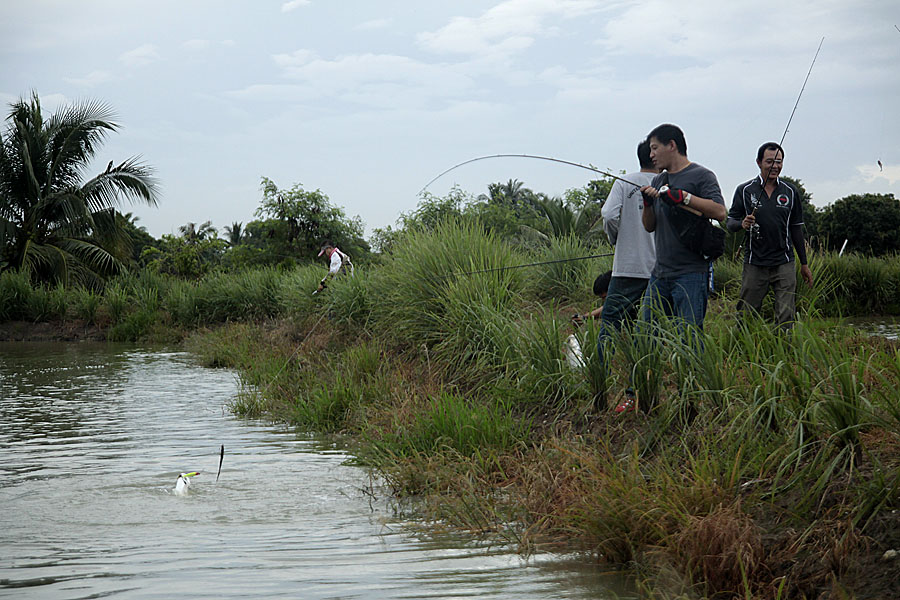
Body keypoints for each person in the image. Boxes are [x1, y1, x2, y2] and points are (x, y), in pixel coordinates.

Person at [616, 124, 726, 413]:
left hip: (691, 273)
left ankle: (691, 401)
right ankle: (636, 395)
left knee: (688, 339)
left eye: (654, 147)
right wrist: (649, 204)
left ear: (672, 145)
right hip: (660, 273)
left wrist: (682, 197)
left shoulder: (701, 176)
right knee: (644, 335)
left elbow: (720, 212)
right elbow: (650, 226)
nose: (651, 154)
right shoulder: (660, 179)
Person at [726, 142, 813, 329]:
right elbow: (730, 222)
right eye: (770, 161)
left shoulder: (790, 192)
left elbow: (796, 228)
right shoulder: (745, 190)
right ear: (759, 162)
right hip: (754, 261)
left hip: (784, 261)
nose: (775, 166)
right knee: (746, 315)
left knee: (786, 315)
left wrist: (804, 264)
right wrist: (742, 224)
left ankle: (786, 353)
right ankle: (743, 351)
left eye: (779, 162)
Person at [598, 140, 659, 340]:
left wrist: (617, 239)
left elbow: (608, 215)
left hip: (627, 266)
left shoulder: (623, 182)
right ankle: (650, 366)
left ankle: (601, 368)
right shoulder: (669, 184)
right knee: (654, 324)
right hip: (662, 268)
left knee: (611, 322)